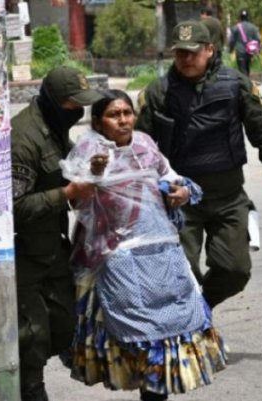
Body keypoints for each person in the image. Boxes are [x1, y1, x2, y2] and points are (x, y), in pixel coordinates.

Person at [61, 89, 226, 401]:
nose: (123, 120)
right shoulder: (88, 149)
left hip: (161, 251)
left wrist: (182, 193)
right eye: (114, 115)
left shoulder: (146, 145)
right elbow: (78, 195)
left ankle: (155, 393)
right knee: (130, 336)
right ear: (97, 121)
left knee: (173, 328)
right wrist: (96, 172)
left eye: (127, 113)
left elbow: (172, 177)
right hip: (114, 257)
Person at [136, 21, 262, 310]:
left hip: (228, 197)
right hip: (179, 199)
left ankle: (200, 308)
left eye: (192, 52)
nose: (186, 59)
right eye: (180, 53)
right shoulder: (158, 93)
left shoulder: (236, 85)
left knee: (236, 271)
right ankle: (189, 325)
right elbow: (140, 147)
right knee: (181, 272)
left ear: (209, 49)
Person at [10, 66, 103, 401]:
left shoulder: (55, 129)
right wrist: (66, 194)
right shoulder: (23, 138)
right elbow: (13, 208)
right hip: (23, 255)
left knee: (64, 328)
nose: (78, 111)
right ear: (51, 101)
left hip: (52, 249)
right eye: (72, 105)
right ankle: (30, 389)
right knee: (31, 335)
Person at [228, 9, 261, 76]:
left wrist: (230, 50)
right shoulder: (253, 28)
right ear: (248, 17)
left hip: (240, 52)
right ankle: (247, 82)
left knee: (242, 70)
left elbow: (232, 41)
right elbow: (258, 39)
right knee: (247, 68)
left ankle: (245, 84)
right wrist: (257, 50)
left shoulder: (236, 27)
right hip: (250, 52)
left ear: (240, 17)